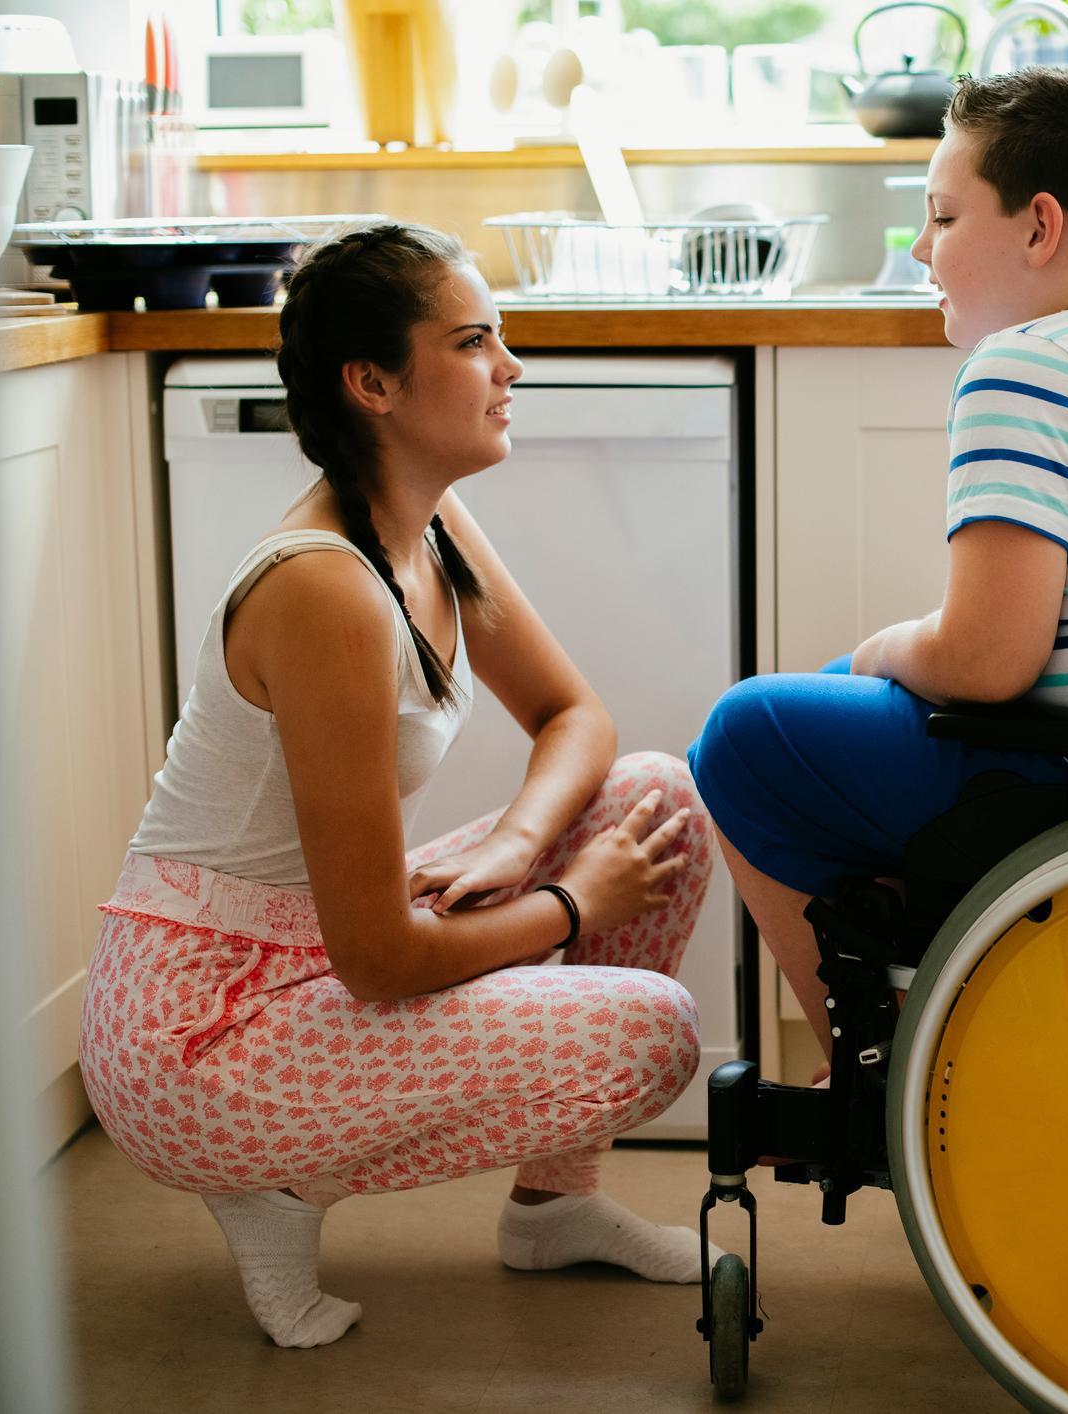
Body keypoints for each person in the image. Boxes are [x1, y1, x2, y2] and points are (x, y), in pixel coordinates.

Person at [79, 222, 718, 1350]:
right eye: (475, 343)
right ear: (372, 383)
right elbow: (378, 959)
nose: (511, 369)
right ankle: (271, 1178)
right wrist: (573, 908)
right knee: (656, 1033)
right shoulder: (323, 589)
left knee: (655, 796)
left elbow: (578, 717)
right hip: (201, 1031)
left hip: (311, 950)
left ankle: (552, 1208)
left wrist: (520, 846)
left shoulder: (425, 523)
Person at [688, 69, 1068, 1063]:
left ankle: (874, 1080)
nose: (922, 249)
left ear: (1039, 227)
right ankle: (942, 1019)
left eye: (943, 217)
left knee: (743, 733)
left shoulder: (1027, 364)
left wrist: (887, 646)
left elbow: (989, 661)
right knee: (824, 701)